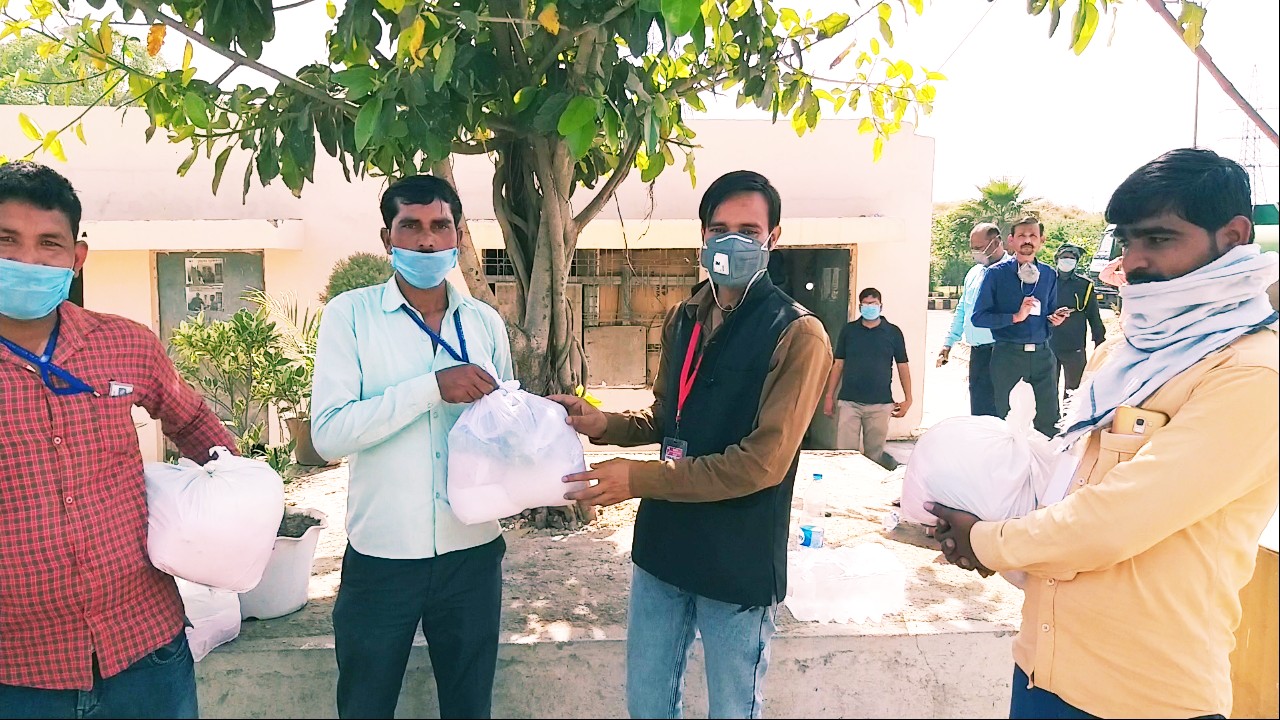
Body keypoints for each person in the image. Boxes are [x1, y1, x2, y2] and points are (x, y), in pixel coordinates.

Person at [928, 148, 1279, 719]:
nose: (1134, 261)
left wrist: (987, 541)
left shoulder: (1251, 374)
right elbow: (1065, 484)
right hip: (1041, 669)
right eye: (1127, 241)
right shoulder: (1122, 354)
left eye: (1159, 239)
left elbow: (1116, 520)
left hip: (1145, 696)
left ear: (1234, 236)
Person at [548, 170, 832, 719]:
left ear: (773, 238)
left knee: (732, 709)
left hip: (737, 559)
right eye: (719, 229)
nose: (732, 242)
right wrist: (603, 423)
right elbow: (667, 416)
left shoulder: (797, 333)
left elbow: (761, 464)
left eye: (749, 231)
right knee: (647, 705)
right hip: (664, 548)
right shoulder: (686, 317)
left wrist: (636, 478)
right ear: (702, 236)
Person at [0, 162, 237, 717]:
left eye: (49, 243)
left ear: (77, 257)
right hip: (17, 670)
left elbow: (195, 424)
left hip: (145, 648)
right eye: (6, 240)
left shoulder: (125, 343)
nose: (28, 260)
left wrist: (240, 506)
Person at [310, 175, 514, 719]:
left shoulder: (484, 323)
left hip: (472, 552)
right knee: (365, 705)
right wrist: (431, 389)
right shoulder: (350, 316)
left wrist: (539, 427)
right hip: (383, 557)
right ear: (388, 238)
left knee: (469, 707)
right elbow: (329, 434)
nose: (427, 240)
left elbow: (503, 427)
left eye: (440, 226)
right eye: (411, 226)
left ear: (458, 236)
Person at [972, 215, 1069, 437]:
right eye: (1022, 235)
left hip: (1043, 355)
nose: (1027, 240)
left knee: (1050, 420)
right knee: (1006, 419)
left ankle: (1046, 459)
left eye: (1033, 235)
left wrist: (1055, 318)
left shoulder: (1048, 274)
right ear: (1011, 240)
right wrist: (1014, 317)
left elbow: (1049, 311)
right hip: (1008, 355)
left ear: (1041, 240)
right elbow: (979, 317)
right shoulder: (995, 274)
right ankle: (1004, 459)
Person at [823, 288, 912, 470]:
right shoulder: (849, 331)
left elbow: (902, 365)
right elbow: (838, 364)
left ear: (881, 306)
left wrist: (908, 398)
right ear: (860, 307)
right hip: (849, 402)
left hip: (880, 404)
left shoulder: (893, 332)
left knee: (874, 456)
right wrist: (829, 396)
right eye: (866, 304)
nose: (870, 307)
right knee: (845, 455)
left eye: (874, 303)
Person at [938, 222, 1005, 417]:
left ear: (996, 243)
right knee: (979, 408)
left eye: (979, 247)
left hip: (1002, 350)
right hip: (978, 352)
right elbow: (962, 309)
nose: (975, 252)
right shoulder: (974, 273)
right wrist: (949, 342)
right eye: (972, 247)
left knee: (1000, 410)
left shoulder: (1011, 271)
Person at [1047, 243, 1106, 402]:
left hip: (1074, 346)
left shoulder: (1084, 285)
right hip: (1048, 344)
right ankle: (1050, 417)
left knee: (1074, 390)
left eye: (1072, 258)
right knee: (1047, 388)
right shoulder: (1046, 281)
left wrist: (1100, 341)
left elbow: (1093, 315)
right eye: (1064, 257)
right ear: (1057, 259)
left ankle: (1070, 417)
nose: (1068, 260)